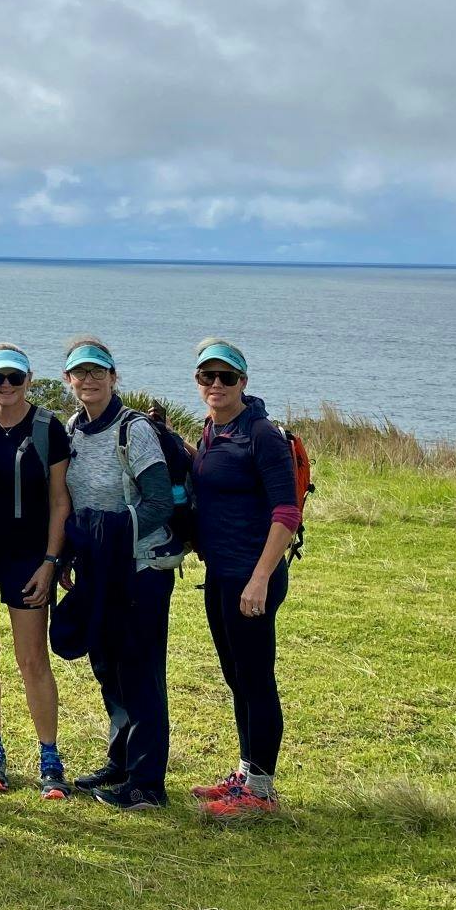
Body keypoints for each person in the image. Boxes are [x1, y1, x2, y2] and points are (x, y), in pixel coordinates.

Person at [59, 337, 182, 809]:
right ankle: (122, 759)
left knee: (140, 669)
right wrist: (76, 553)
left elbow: (158, 502)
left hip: (142, 568)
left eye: (97, 371)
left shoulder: (135, 431)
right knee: (106, 663)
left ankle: (148, 783)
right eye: (80, 372)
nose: (88, 380)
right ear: (69, 380)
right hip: (100, 567)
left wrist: (109, 534)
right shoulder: (73, 429)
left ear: (114, 377)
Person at [185, 338, 301, 816]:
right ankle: (246, 772)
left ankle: (262, 792)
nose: (216, 385)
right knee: (236, 676)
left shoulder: (262, 435)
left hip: (252, 577)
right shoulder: (214, 430)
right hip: (221, 574)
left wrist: (259, 579)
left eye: (225, 377)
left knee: (256, 678)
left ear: (243, 382)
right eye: (207, 377)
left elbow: (286, 512)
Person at [0, 344, 73, 798]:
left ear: (29, 379)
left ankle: (50, 756)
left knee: (32, 659)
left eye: (15, 378)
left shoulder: (48, 428)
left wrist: (50, 561)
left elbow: (60, 500)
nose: (6, 387)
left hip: (27, 559)